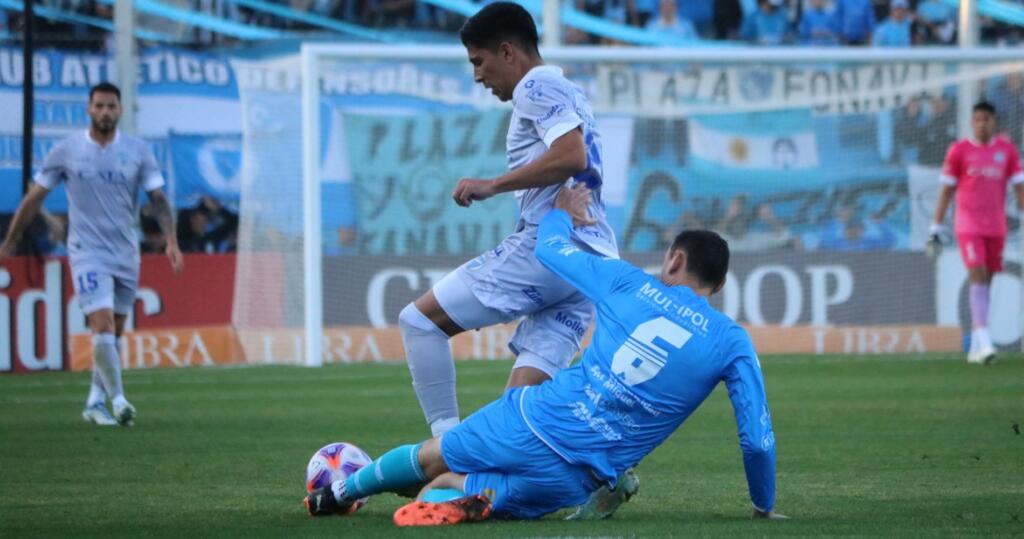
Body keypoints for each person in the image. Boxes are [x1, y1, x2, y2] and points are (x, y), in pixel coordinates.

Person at [304, 185, 783, 526]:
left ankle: (336, 495)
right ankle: (465, 498)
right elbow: (757, 440)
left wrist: (560, 212)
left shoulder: (627, 282)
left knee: (432, 458)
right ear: (718, 286)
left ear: (674, 261)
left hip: (534, 420)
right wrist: (762, 505)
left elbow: (551, 250)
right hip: (578, 477)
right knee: (451, 488)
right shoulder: (732, 341)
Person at [398, 2, 617, 440]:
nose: (478, 76)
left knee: (419, 322)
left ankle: (447, 448)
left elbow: (571, 156)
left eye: (479, 62)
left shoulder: (534, 86)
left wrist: (493, 184)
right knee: (519, 413)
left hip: (549, 249)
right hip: (590, 263)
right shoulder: (568, 90)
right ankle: (602, 471)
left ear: (508, 52)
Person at [0, 82, 184, 425]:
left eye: (111, 106)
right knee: (100, 323)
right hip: (87, 250)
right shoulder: (67, 150)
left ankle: (94, 401)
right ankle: (119, 400)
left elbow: (158, 199)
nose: (105, 112)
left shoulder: (138, 150)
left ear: (120, 111)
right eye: (99, 106)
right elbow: (35, 197)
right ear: (88, 109)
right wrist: (11, 241)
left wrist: (171, 240)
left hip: (126, 250)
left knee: (113, 332)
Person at [930, 101, 1024, 364]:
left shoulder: (1007, 151)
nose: (983, 123)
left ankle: (975, 344)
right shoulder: (959, 151)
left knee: (988, 280)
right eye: (978, 119)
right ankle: (985, 342)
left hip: (996, 226)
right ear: (972, 122)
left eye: (987, 119)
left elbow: (1019, 188)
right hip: (968, 225)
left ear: (994, 122)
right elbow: (947, 190)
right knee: (978, 273)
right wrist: (935, 226)